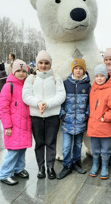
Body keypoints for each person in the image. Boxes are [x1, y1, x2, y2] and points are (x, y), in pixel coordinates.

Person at [22, 50, 66, 180]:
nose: (43, 65)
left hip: (52, 116)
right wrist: (38, 103)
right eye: (40, 63)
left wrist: (47, 104)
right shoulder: (31, 78)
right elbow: (26, 95)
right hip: (36, 116)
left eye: (46, 63)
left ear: (50, 64)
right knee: (40, 143)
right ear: (37, 64)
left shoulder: (56, 78)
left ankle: (50, 167)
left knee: (51, 142)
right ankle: (41, 167)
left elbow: (61, 95)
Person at [57, 59, 91, 180]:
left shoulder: (87, 85)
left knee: (77, 144)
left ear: (84, 70)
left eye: (80, 68)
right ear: (72, 70)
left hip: (80, 122)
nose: (78, 71)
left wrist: (86, 114)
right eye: (76, 68)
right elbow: (61, 101)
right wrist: (63, 114)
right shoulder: (66, 84)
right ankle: (66, 166)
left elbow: (89, 103)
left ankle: (76, 163)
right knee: (66, 146)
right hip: (67, 121)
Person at [0, 59, 32, 185]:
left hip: (25, 125)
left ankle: (18, 169)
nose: (21, 73)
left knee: (22, 148)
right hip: (13, 126)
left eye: (23, 71)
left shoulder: (26, 85)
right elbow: (3, 108)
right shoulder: (9, 86)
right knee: (13, 151)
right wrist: (7, 126)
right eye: (18, 71)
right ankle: (4, 173)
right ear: (13, 72)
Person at [87, 64, 111, 179]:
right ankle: (95, 164)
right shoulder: (93, 89)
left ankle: (105, 166)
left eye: (102, 76)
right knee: (95, 148)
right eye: (97, 76)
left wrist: (105, 117)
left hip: (106, 126)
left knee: (106, 149)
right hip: (94, 125)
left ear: (106, 76)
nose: (99, 78)